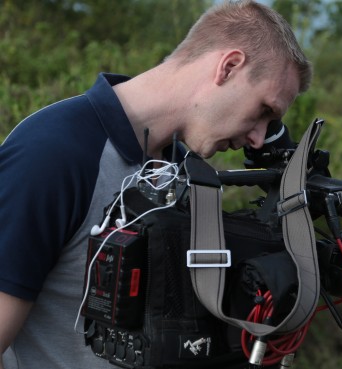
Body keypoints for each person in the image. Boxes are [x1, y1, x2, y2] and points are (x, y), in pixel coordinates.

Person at [0, 1, 312, 368]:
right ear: (229, 67)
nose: (261, 139)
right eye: (264, 111)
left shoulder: (185, 172)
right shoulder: (55, 151)